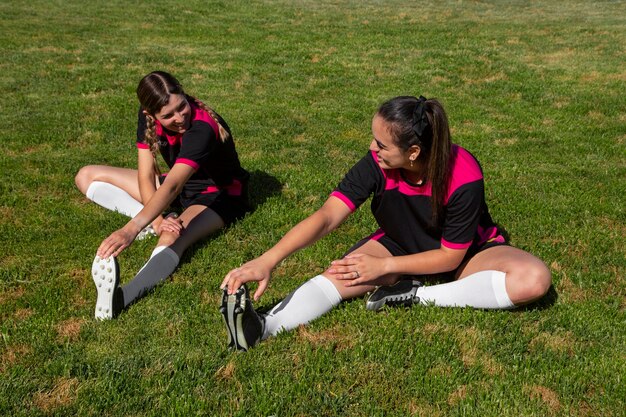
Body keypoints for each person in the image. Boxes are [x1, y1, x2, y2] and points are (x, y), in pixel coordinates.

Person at [220, 95, 551, 351]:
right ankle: (262, 327)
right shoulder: (377, 163)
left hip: (466, 253)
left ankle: (412, 296)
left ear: (413, 152)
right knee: (342, 273)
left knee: (534, 280)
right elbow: (327, 216)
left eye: (381, 144)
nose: (371, 148)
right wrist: (268, 260)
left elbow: (450, 257)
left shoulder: (463, 174)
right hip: (401, 243)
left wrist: (386, 267)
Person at [75, 71, 250, 319]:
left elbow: (172, 187)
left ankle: (120, 299)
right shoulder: (146, 116)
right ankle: (151, 222)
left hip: (218, 196)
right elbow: (146, 176)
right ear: (151, 114)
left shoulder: (201, 128)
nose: (180, 117)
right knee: (86, 176)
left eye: (182, 106)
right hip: (180, 187)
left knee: (172, 235)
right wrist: (157, 220)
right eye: (168, 115)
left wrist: (131, 229)